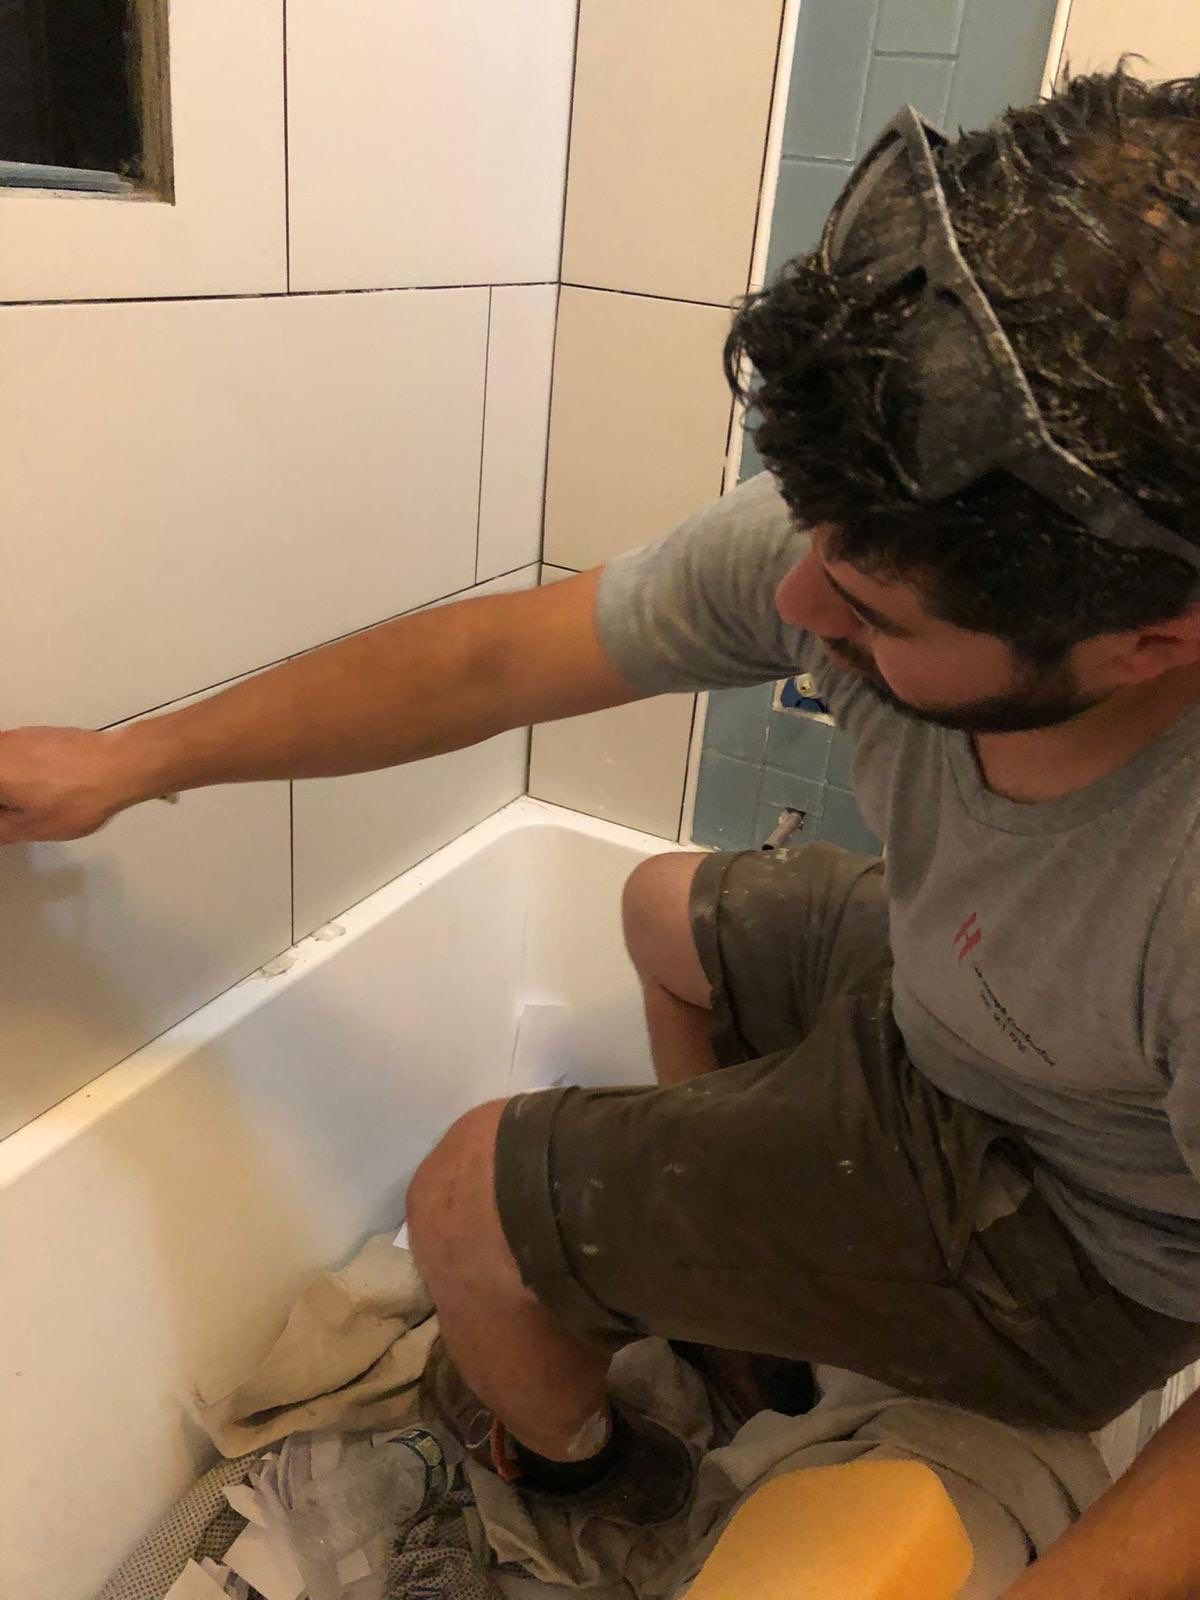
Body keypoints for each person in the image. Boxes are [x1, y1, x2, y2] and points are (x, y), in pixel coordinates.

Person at [4, 68, 1200, 1595]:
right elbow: (490, 662)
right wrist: (132, 760)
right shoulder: (898, 525)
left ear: (1151, 644)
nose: (795, 604)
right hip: (970, 1009)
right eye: (813, 542)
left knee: (466, 1198)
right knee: (659, 909)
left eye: (872, 616)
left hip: (1076, 1247)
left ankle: (595, 1500)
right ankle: (751, 1336)